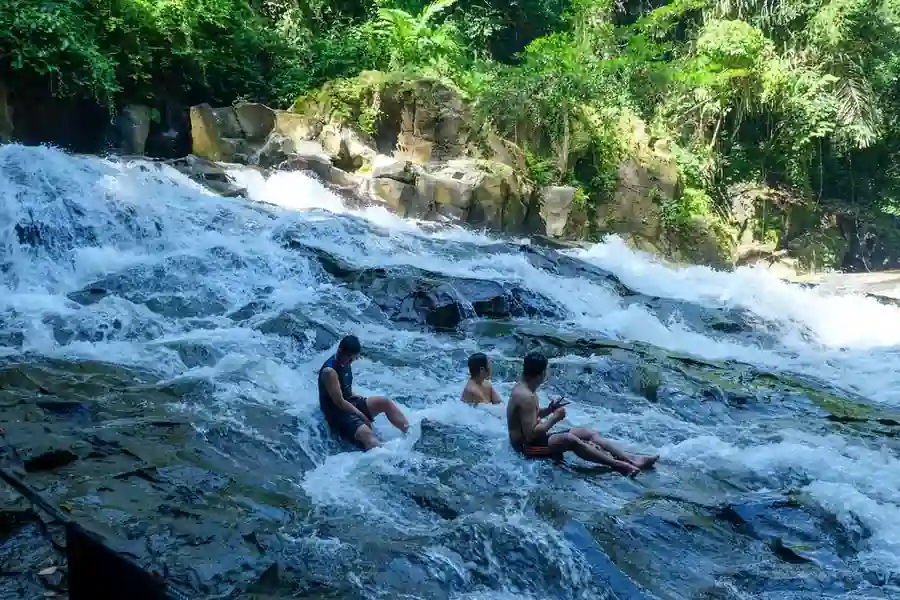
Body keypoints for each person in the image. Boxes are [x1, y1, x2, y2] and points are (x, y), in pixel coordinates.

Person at [506, 351, 659, 477]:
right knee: (570, 440)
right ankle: (618, 465)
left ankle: (631, 458)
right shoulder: (526, 397)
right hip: (526, 448)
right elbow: (530, 435)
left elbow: (527, 416)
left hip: (534, 440)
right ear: (541, 374)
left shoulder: (524, 390)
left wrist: (549, 410)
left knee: (585, 432)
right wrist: (555, 418)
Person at [318, 335, 409, 450]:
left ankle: (409, 432)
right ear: (340, 350)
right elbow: (339, 402)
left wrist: (361, 401)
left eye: (353, 359)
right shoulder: (330, 372)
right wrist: (362, 416)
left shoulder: (345, 362)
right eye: (350, 358)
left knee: (384, 402)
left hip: (348, 403)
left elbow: (346, 392)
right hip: (336, 413)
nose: (351, 362)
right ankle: (391, 455)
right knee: (368, 436)